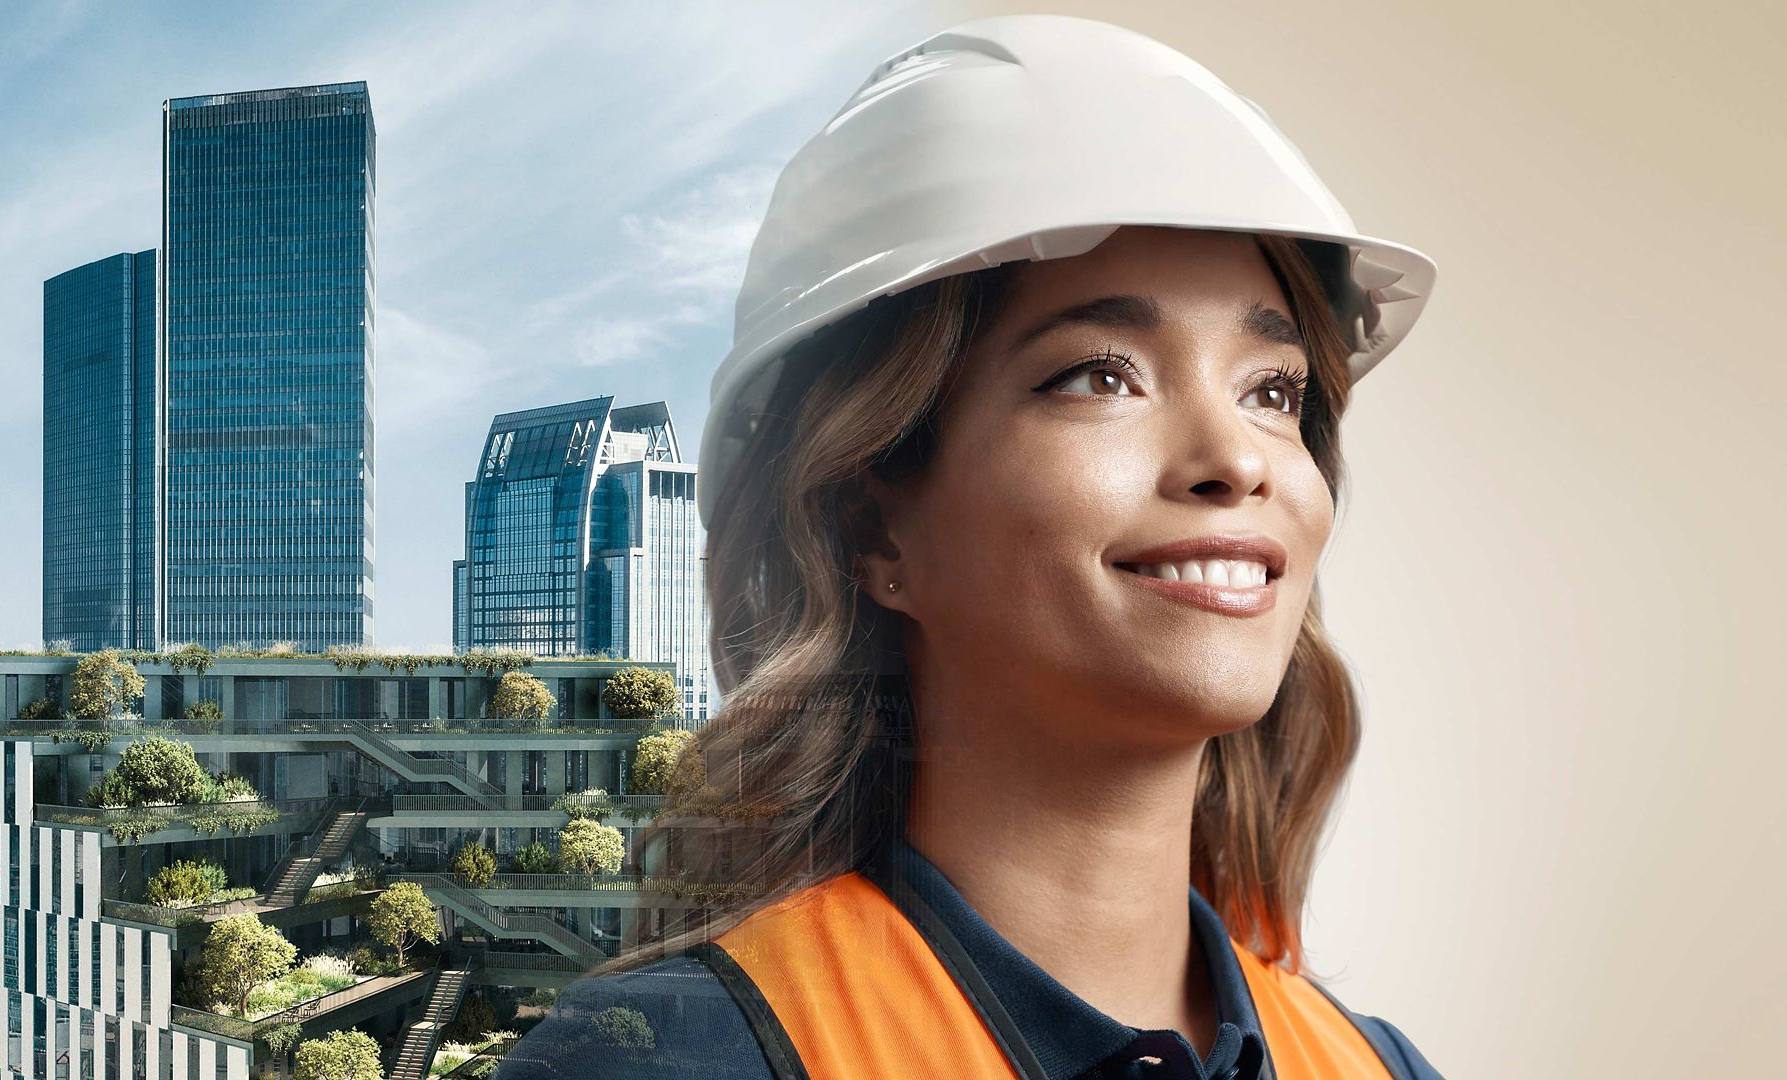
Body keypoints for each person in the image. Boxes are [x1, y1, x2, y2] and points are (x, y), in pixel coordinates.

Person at [496, 14, 1443, 1079]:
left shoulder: (1374, 1065)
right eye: (1101, 375)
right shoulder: (677, 1060)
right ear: (871, 521)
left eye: (1274, 392)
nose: (1237, 459)